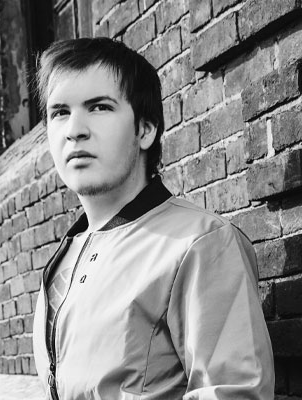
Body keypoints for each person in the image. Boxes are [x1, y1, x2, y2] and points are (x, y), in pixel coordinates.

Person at [32, 37, 274, 400]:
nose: (74, 129)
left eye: (99, 107)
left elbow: (235, 394)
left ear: (146, 129)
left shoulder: (202, 243)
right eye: (59, 112)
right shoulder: (64, 258)